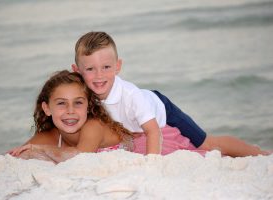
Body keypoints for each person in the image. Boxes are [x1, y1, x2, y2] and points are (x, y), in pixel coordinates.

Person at [71, 31, 270, 157]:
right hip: (131, 126)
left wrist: (152, 165)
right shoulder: (82, 97)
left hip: (161, 107)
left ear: (118, 66)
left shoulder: (131, 95)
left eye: (106, 67)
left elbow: (153, 131)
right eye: (90, 69)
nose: (99, 76)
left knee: (208, 144)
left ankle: (259, 153)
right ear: (77, 71)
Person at [8, 70, 203, 163]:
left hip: (151, 143)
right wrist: (29, 151)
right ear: (47, 108)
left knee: (211, 146)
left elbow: (78, 156)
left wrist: (40, 150)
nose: (70, 111)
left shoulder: (92, 126)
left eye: (78, 103)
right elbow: (19, 154)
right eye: (61, 103)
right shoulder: (50, 135)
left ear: (88, 106)